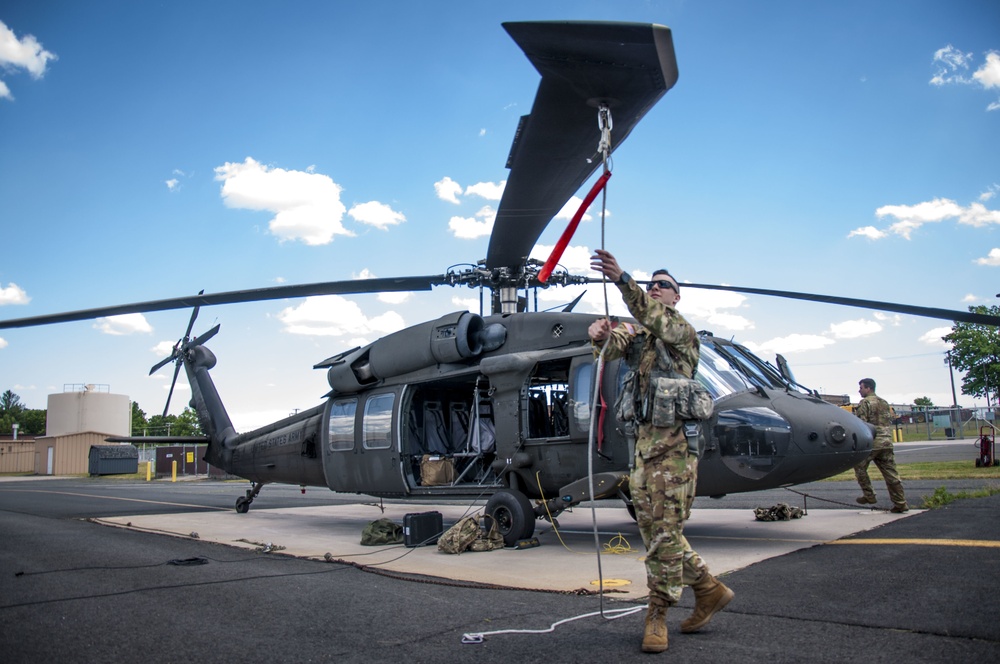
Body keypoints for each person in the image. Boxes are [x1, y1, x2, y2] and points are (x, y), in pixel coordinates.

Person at [588, 249, 733, 654]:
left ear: (675, 298)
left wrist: (623, 281)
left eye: (662, 286)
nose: (655, 289)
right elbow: (614, 347)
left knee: (666, 531)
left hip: (674, 449)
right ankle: (708, 589)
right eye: (651, 284)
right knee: (653, 530)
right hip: (643, 448)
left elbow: (651, 319)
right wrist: (598, 336)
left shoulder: (681, 332)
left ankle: (657, 614)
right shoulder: (641, 335)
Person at [853, 378, 908, 513]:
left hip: (873, 441)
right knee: (891, 474)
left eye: (861, 388)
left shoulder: (865, 403)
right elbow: (888, 420)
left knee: (859, 466)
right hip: (887, 441)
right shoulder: (884, 402)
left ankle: (869, 495)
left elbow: (861, 424)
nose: (859, 391)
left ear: (868, 388)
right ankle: (900, 502)